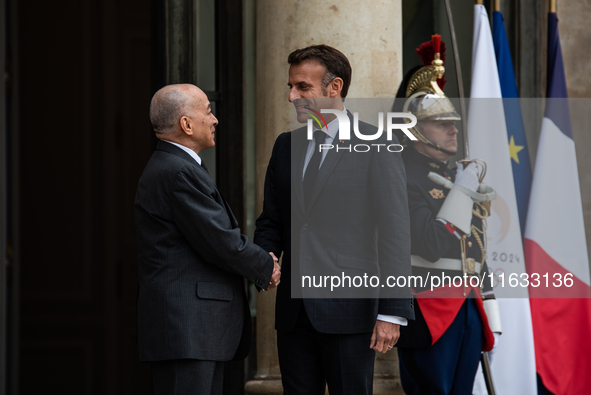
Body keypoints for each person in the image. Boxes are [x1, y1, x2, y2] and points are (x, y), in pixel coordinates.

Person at [254, 44, 414, 395]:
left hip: (351, 312)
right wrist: (264, 255)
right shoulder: (286, 145)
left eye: (303, 87)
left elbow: (395, 232)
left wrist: (392, 312)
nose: (293, 95)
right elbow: (271, 221)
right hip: (295, 314)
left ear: (335, 87)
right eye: (291, 87)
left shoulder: (378, 144)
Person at [134, 84, 280, 395]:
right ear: (186, 124)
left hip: (194, 331)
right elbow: (218, 239)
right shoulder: (178, 171)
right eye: (208, 111)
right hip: (187, 331)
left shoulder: (177, 166)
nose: (215, 119)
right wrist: (264, 265)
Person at [392, 37, 502, 394]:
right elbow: (431, 243)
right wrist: (461, 194)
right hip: (428, 305)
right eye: (442, 123)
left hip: (468, 305)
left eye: (453, 122)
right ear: (415, 129)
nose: (454, 129)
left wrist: (489, 308)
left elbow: (476, 249)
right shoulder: (402, 175)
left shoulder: (458, 175)